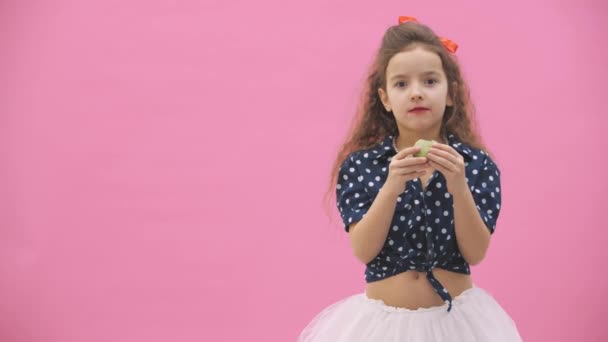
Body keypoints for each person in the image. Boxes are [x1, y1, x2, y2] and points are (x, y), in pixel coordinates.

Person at [297, 16, 523, 341]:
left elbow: (475, 253)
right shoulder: (362, 165)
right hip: (382, 327)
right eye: (401, 84)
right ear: (386, 98)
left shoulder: (474, 164)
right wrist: (391, 187)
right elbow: (363, 250)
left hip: (458, 324)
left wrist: (459, 186)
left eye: (430, 81)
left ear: (450, 94)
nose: (416, 93)